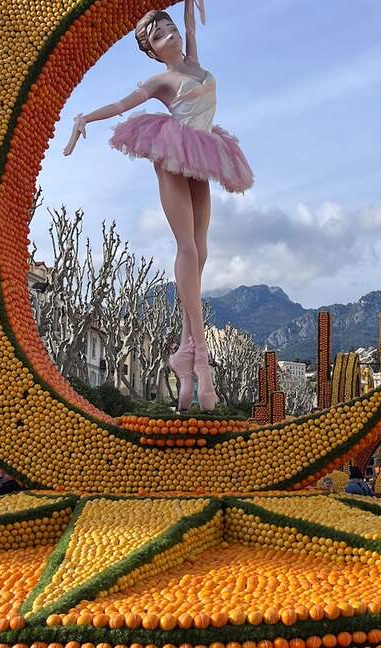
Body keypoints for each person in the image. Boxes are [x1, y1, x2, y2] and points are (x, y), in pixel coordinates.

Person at [64, 1, 252, 412]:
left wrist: (188, 6)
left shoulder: (195, 62)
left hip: (204, 152)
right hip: (172, 151)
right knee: (186, 247)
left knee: (202, 251)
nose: (168, 33)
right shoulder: (160, 80)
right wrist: (84, 120)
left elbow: (189, 23)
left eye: (167, 26)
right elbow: (119, 106)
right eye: (157, 34)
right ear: (151, 50)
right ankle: (200, 358)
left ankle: (183, 356)